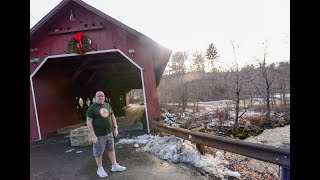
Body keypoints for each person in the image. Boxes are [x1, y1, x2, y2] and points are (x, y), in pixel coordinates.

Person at [86, 91, 126, 177]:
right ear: (95, 97)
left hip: (109, 133)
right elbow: (89, 122)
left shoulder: (107, 105)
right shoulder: (92, 108)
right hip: (99, 135)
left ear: (104, 97)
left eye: (102, 96)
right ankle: (100, 169)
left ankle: (114, 166)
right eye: (98, 96)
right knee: (98, 152)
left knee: (111, 149)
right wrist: (93, 136)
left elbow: (112, 116)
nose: (100, 97)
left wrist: (115, 127)